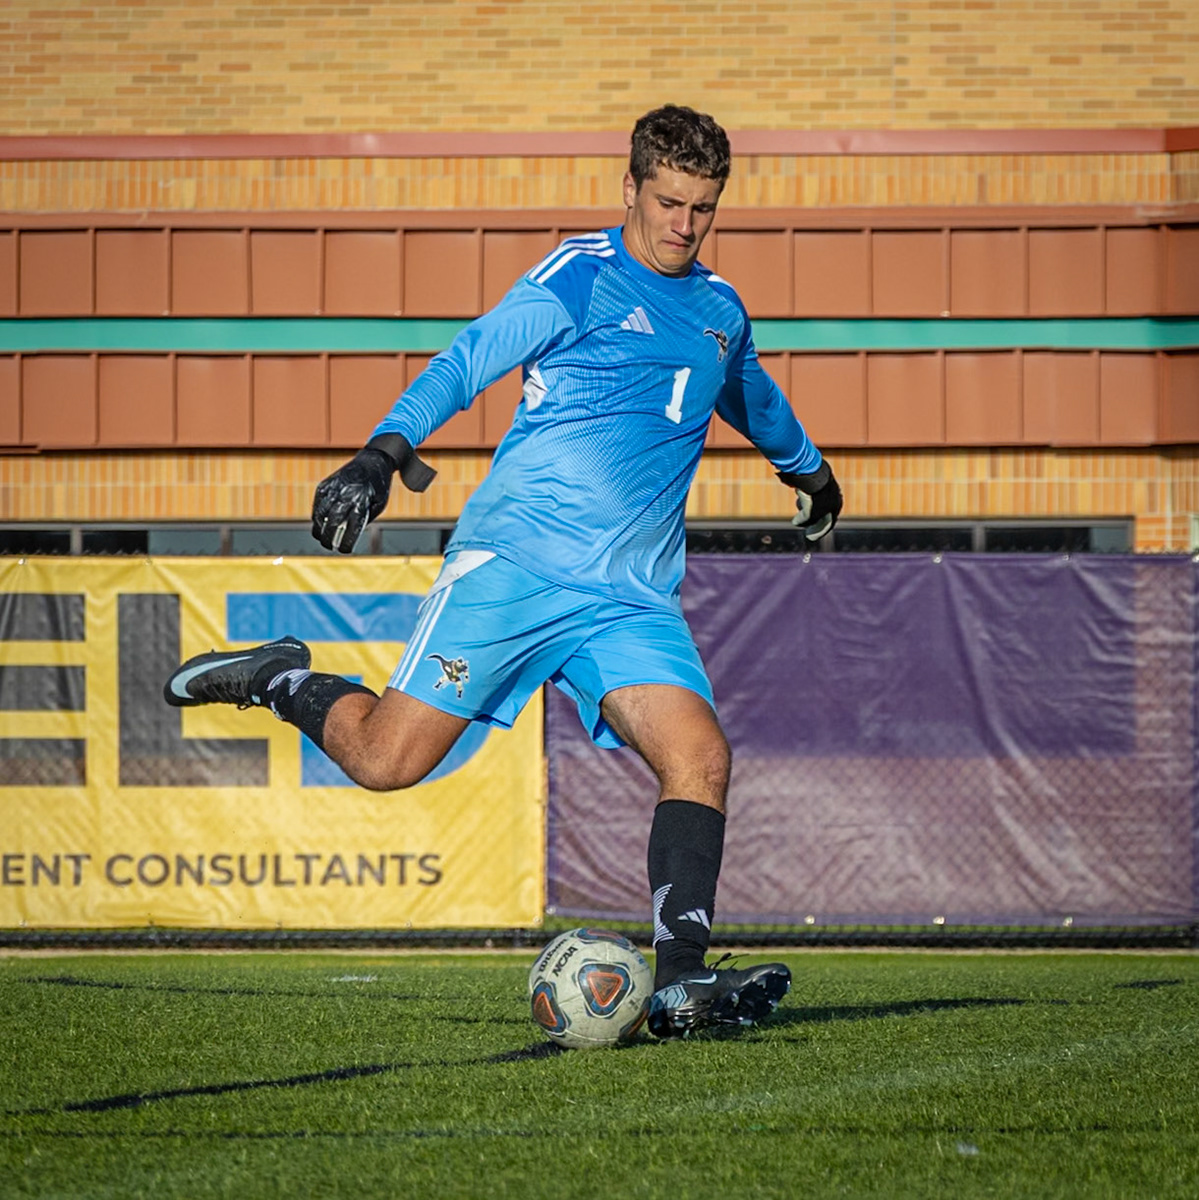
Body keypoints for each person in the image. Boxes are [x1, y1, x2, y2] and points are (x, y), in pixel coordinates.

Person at [164, 104, 842, 1039]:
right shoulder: (579, 275)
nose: (684, 225)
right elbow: (470, 356)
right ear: (632, 187)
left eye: (704, 208)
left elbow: (748, 392)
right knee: (385, 762)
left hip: (627, 599)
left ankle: (680, 979)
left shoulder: (720, 311)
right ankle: (281, 677)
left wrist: (805, 466)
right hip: (516, 567)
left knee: (700, 757)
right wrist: (382, 451)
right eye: (669, 201)